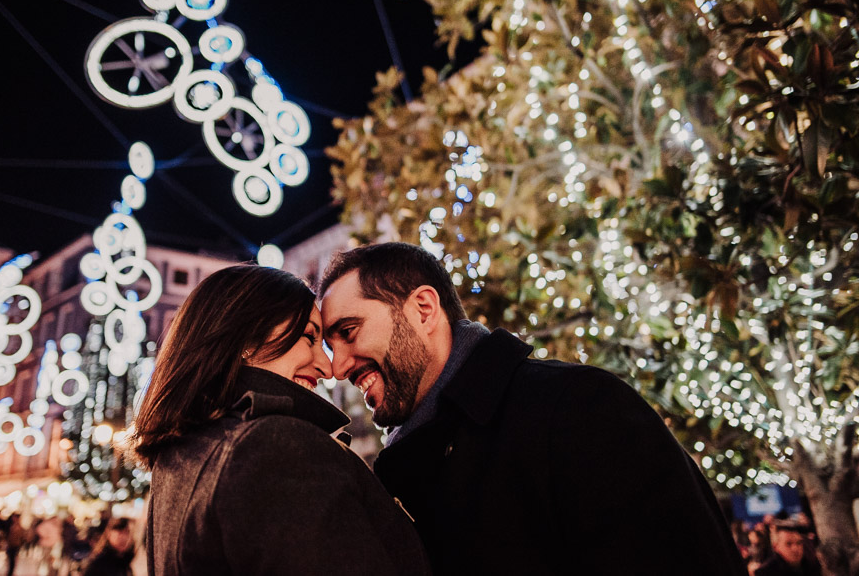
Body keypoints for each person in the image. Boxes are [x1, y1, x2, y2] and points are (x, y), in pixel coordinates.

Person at [318, 242, 748, 575]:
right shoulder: (401, 475)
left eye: (349, 332)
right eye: (328, 346)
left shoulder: (578, 409)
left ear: (424, 310)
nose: (337, 367)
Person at [132, 264, 430, 575]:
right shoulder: (276, 447)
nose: (327, 368)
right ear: (246, 339)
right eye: (307, 337)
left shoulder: (182, 454)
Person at [755, 522, 822, 576]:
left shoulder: (812, 566)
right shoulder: (765, 572)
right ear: (776, 547)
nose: (795, 548)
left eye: (799, 543)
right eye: (788, 544)